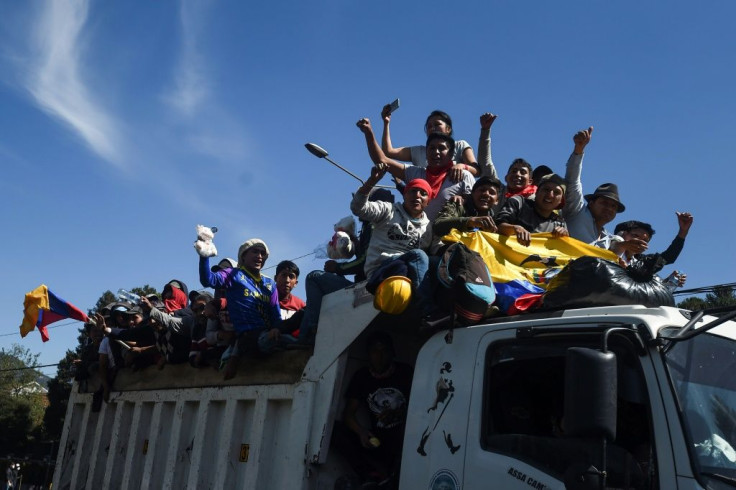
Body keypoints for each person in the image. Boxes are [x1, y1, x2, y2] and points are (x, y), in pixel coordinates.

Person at [333, 332, 413, 487]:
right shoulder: (361, 377)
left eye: (384, 350)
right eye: (375, 351)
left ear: (392, 353)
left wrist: (398, 413)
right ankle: (370, 475)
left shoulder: (406, 373)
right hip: (378, 439)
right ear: (368, 355)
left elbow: (423, 409)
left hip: (404, 441)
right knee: (336, 432)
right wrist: (361, 432)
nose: (379, 355)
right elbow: (348, 415)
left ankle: (391, 479)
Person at [357, 117, 474, 220]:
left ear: (451, 154)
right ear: (426, 153)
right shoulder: (416, 173)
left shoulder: (463, 176)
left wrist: (464, 199)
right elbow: (382, 160)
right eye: (431, 148)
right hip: (417, 238)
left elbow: (475, 208)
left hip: (448, 242)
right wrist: (368, 133)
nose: (436, 152)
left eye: (441, 148)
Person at [198, 239, 282, 379]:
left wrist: (276, 328)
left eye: (262, 253)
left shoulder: (270, 284)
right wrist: (204, 256)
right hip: (249, 339)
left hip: (270, 334)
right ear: (243, 255)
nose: (260, 256)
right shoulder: (233, 274)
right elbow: (208, 280)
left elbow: (276, 315)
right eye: (255, 251)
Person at [350, 165, 433, 305]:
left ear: (428, 201)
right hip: (380, 268)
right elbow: (358, 208)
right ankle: (424, 308)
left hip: (405, 270)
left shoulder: (428, 227)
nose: (417, 196)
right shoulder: (388, 210)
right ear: (405, 194)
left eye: (423, 193)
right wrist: (372, 181)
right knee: (418, 255)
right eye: (413, 191)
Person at [562, 126, 627, 249]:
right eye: (604, 203)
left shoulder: (608, 240)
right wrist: (579, 150)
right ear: (591, 203)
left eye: (613, 206)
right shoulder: (577, 212)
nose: (609, 208)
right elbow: (572, 181)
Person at [380, 106, 479, 175]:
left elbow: (477, 170)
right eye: (429, 126)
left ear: (448, 129)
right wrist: (386, 123)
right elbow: (388, 152)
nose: (432, 128)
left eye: (437, 124)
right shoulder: (419, 151)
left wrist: (462, 166)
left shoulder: (460, 145)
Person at [475, 112, 538, 213]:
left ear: (530, 181)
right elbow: (485, 163)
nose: (517, 175)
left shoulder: (536, 199)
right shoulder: (498, 191)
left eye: (523, 172)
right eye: (514, 171)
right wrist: (485, 130)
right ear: (506, 178)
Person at [613, 213, 694, 284]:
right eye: (635, 236)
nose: (639, 241)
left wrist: (683, 232)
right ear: (622, 234)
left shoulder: (640, 263)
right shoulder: (606, 245)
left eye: (645, 240)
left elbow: (668, 257)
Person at [495, 173, 569, 246]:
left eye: (556, 192)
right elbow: (498, 226)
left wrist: (565, 237)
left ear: (560, 201)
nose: (550, 195)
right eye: (546, 189)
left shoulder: (560, 223)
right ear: (536, 192)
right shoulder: (519, 203)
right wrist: (514, 228)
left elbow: (565, 252)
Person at [433, 176, 502, 243]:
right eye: (482, 190)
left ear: (497, 201)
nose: (486, 194)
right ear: (472, 193)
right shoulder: (458, 204)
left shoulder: (496, 222)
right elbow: (438, 226)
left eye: (492, 192)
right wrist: (469, 221)